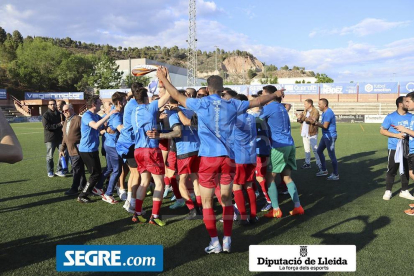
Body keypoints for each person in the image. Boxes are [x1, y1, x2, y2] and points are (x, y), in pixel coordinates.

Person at [157, 67, 284, 254]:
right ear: (222, 89)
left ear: (207, 89)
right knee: (226, 200)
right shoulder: (232, 104)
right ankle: (227, 241)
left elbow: (175, 93)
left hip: (208, 159)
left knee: (208, 202)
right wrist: (276, 94)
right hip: (228, 159)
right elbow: (258, 101)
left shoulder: (201, 103)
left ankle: (215, 242)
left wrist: (163, 78)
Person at [259, 85, 304, 219]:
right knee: (286, 177)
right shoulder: (281, 107)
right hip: (290, 144)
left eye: (263, 94)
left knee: (270, 177)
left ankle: (276, 209)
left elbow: (256, 119)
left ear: (269, 95)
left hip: (278, 146)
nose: (262, 97)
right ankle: (298, 206)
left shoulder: (270, 107)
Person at [131, 86, 170, 226]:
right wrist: (166, 80)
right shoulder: (150, 107)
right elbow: (170, 94)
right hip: (151, 150)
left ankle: (138, 213)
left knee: (144, 182)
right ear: (147, 98)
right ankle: (154, 215)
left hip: (138, 150)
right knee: (160, 183)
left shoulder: (134, 110)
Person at [77, 95, 118, 203]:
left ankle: (89, 190)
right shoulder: (87, 116)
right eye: (99, 102)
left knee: (96, 173)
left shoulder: (95, 115)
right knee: (95, 174)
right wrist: (109, 114)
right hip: (86, 149)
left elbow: (104, 123)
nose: (101, 104)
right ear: (94, 104)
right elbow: (95, 126)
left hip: (92, 148)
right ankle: (83, 195)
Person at [96, 92, 127, 204]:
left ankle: (98, 187)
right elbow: (120, 128)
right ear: (119, 102)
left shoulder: (115, 109)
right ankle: (108, 194)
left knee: (109, 168)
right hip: (113, 146)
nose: (126, 102)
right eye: (124, 100)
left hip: (109, 144)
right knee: (117, 170)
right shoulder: (117, 115)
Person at [379, 96, 413, 200]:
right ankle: (388, 190)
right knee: (392, 169)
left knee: (406, 169)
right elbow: (382, 130)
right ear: (400, 104)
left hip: (408, 148)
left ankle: (405, 190)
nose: (407, 104)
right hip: (394, 147)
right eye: (405, 102)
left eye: (408, 102)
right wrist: (396, 135)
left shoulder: (411, 116)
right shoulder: (390, 117)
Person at [116, 84, 143, 212]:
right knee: (136, 174)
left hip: (126, 142)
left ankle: (128, 201)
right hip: (129, 143)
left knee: (133, 173)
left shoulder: (131, 103)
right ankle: (131, 203)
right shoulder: (135, 105)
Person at [232, 93, 258, 225]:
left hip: (239, 157)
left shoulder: (235, 119)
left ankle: (243, 217)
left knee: (236, 186)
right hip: (251, 156)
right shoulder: (251, 118)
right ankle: (253, 215)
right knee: (248, 185)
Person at [308, 98, 339, 180]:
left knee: (332, 155)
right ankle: (324, 170)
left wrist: (315, 123)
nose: (318, 106)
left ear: (324, 105)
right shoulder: (325, 112)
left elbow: (325, 126)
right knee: (319, 151)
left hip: (330, 136)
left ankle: (336, 174)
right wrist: (315, 120)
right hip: (325, 136)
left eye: (319, 104)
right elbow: (324, 124)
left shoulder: (328, 113)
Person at [59, 104, 86, 195]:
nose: (64, 112)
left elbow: (84, 134)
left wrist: (81, 145)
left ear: (72, 109)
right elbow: (65, 137)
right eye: (63, 111)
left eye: (66, 110)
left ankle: (74, 188)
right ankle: (83, 186)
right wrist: (62, 149)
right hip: (70, 150)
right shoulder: (67, 120)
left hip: (77, 150)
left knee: (76, 170)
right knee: (80, 169)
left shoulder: (78, 119)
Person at [42, 99, 65, 177]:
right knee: (50, 156)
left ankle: (59, 170)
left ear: (56, 105)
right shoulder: (46, 115)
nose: (52, 105)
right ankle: (50, 171)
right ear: (48, 105)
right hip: (50, 138)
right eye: (51, 104)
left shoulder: (60, 114)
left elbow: (64, 124)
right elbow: (47, 126)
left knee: (62, 153)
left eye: (54, 104)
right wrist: (59, 125)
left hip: (60, 138)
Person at [297, 99, 322, 170]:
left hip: (312, 133)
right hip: (304, 133)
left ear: (309, 104)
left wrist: (303, 117)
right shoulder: (305, 111)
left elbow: (312, 121)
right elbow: (303, 120)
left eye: (305, 104)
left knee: (315, 149)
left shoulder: (315, 111)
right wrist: (299, 118)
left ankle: (319, 163)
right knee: (306, 149)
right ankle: (307, 163)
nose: (304, 105)